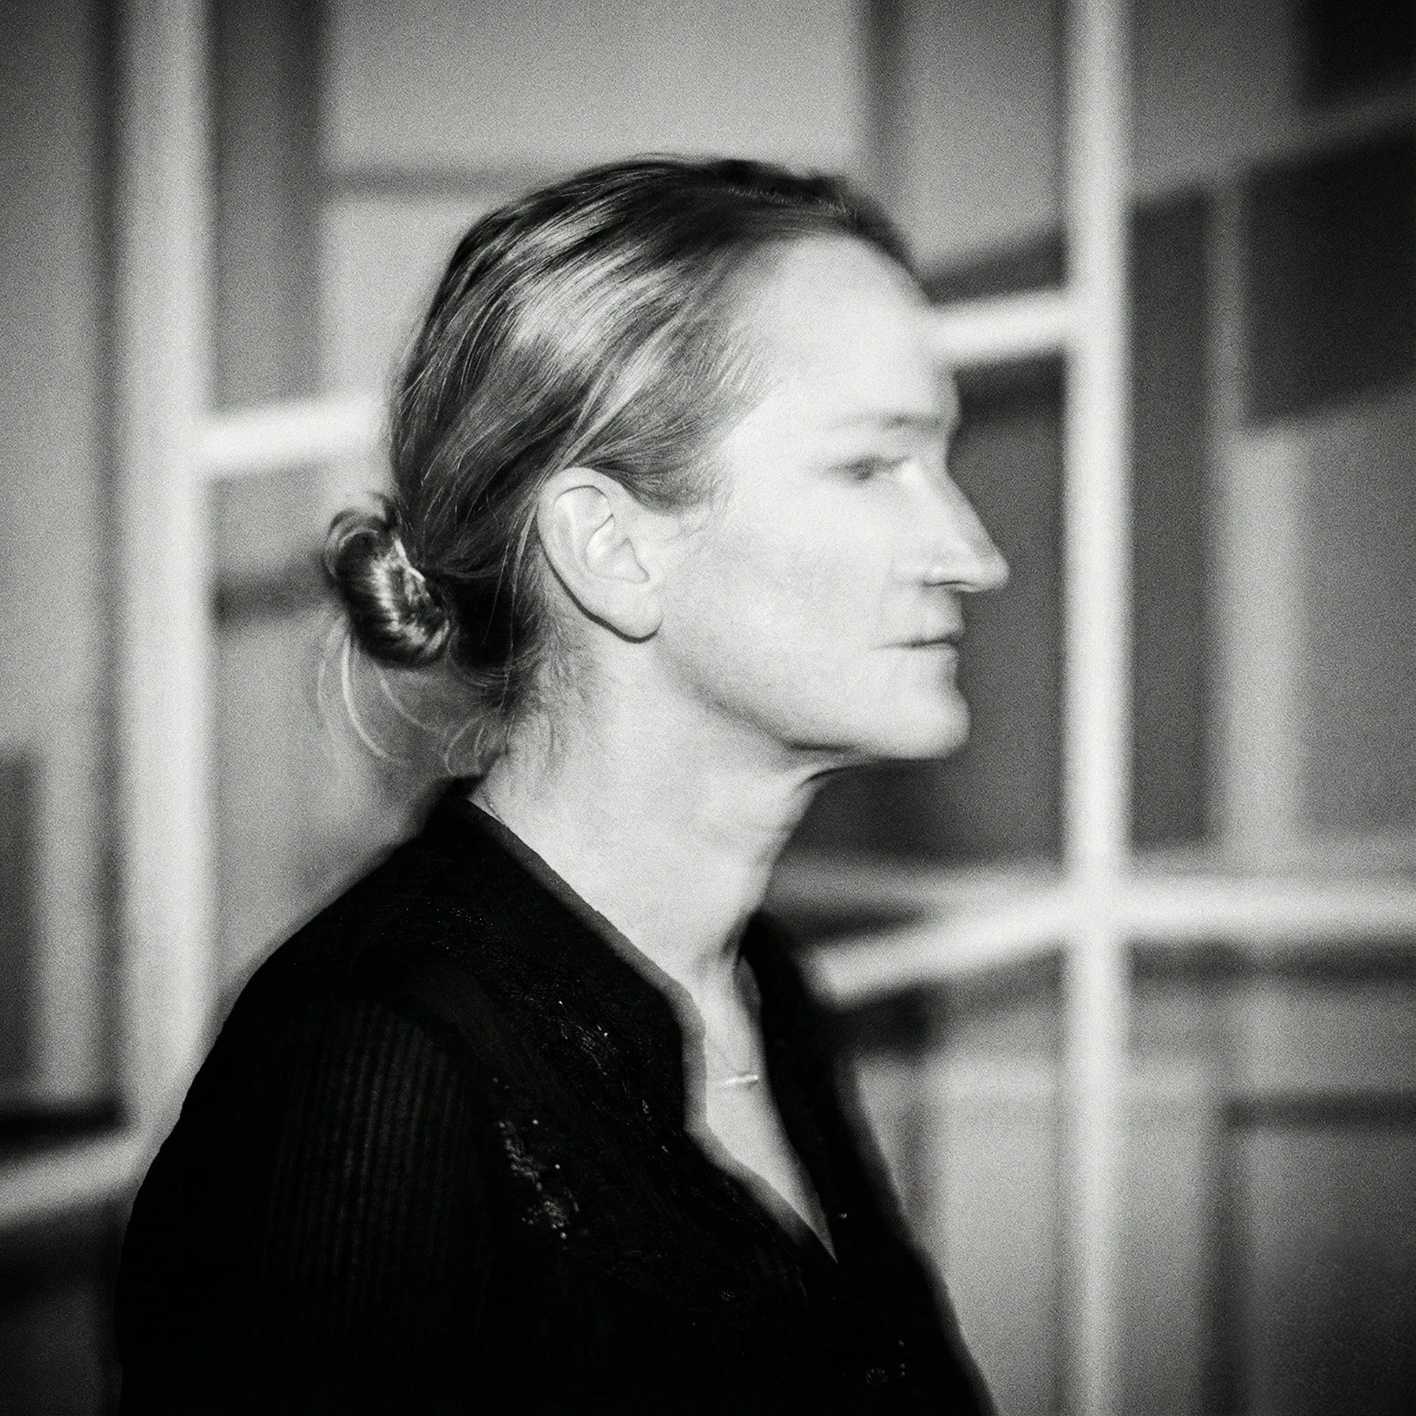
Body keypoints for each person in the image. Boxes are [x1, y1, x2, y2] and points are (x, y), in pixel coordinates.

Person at [116, 157, 1008, 1412]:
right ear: (609, 546)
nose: (971, 552)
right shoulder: (375, 1067)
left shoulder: (758, 987)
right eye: (870, 467)